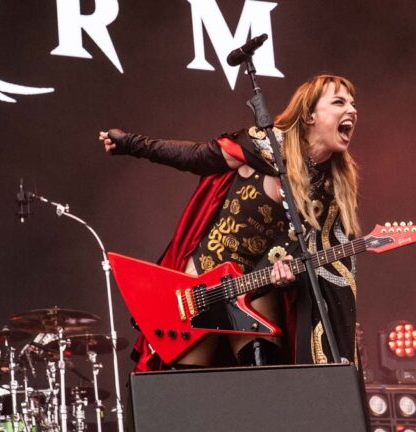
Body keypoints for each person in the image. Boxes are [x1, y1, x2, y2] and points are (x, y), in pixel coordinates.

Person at [100, 74, 361, 372]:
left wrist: (288, 274)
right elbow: (197, 157)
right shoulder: (264, 144)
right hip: (203, 279)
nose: (352, 110)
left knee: (264, 382)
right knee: (190, 391)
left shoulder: (332, 188)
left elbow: (319, 262)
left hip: (255, 285)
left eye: (353, 104)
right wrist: (132, 144)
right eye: (339, 102)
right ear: (309, 115)